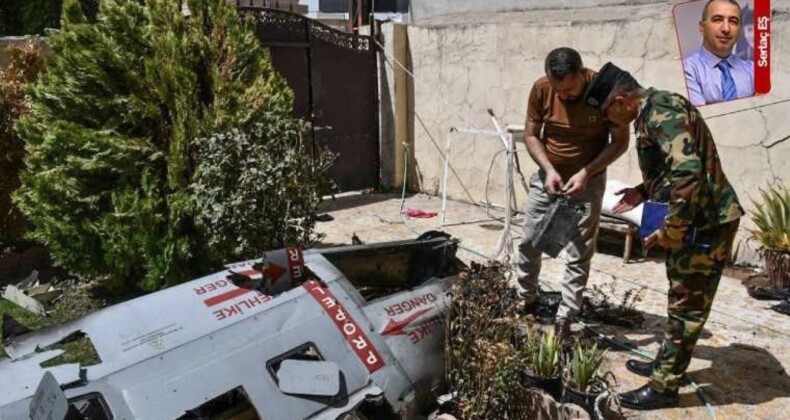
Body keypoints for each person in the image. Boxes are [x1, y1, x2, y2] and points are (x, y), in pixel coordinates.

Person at [584, 62, 744, 409]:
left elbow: (688, 173)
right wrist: (643, 191)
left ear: (622, 100)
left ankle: (664, 388)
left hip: (706, 223)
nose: (609, 125)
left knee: (687, 306)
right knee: (680, 298)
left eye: (608, 116)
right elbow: (677, 169)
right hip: (698, 219)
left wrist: (671, 231)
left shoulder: (661, 112)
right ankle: (666, 365)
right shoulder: (653, 111)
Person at [516, 48, 629, 340]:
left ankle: (566, 315)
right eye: (558, 89)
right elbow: (531, 135)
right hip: (549, 176)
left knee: (578, 251)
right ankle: (525, 298)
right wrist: (548, 169)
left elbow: (619, 142)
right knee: (530, 239)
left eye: (569, 89)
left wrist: (586, 173)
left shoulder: (605, 90)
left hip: (587, 180)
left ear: (583, 73)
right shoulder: (542, 89)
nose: (563, 95)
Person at [684, 0, 754, 106]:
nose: (726, 29)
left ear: (740, 31)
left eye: (733, 21)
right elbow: (701, 119)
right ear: (702, 27)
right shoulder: (688, 70)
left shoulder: (752, 70)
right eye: (717, 20)